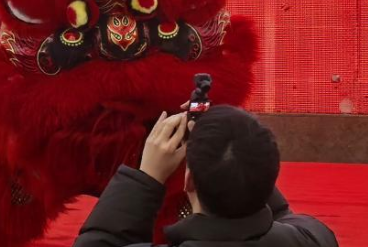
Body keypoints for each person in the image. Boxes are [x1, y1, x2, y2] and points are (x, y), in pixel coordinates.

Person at [74, 106, 338, 247]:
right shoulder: (313, 240)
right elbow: (286, 219)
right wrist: (244, 156)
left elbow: (99, 241)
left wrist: (147, 177)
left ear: (189, 181)